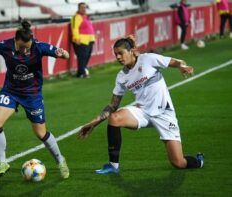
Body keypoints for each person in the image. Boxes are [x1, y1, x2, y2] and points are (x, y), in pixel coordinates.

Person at [77, 35, 204, 174]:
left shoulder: (148, 59)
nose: (118, 57)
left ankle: (199, 161)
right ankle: (113, 165)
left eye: (121, 53)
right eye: (116, 54)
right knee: (114, 118)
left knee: (178, 163)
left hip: (164, 114)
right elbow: (113, 105)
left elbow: (176, 62)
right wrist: (93, 123)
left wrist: (183, 66)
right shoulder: (122, 76)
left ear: (131, 51)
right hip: (142, 112)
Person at [0, 20, 70, 179]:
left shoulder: (38, 47)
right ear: (15, 41)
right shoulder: (6, 45)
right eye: (21, 47)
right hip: (11, 91)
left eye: (27, 47)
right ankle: (3, 162)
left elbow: (66, 55)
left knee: (41, 133)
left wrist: (63, 54)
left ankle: (60, 160)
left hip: (32, 95)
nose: (25, 50)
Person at [71, 2, 95, 78]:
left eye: (85, 7)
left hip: (89, 40)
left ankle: (81, 72)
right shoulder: (76, 17)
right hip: (81, 40)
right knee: (82, 57)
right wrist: (76, 38)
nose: (84, 9)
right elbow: (75, 28)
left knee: (86, 57)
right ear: (78, 8)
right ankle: (82, 73)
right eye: (82, 7)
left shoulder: (86, 16)